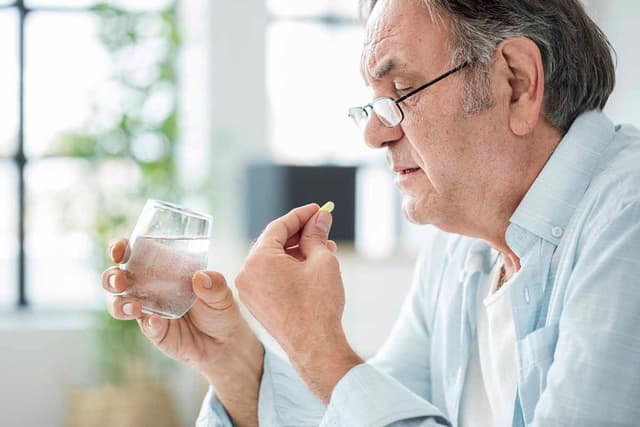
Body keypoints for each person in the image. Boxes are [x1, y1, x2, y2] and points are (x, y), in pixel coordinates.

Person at [102, 0, 640, 425]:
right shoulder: (460, 250)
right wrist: (233, 362)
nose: (374, 133)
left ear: (516, 82)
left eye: (401, 91)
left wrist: (317, 345)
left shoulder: (628, 220)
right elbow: (377, 411)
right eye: (373, 103)